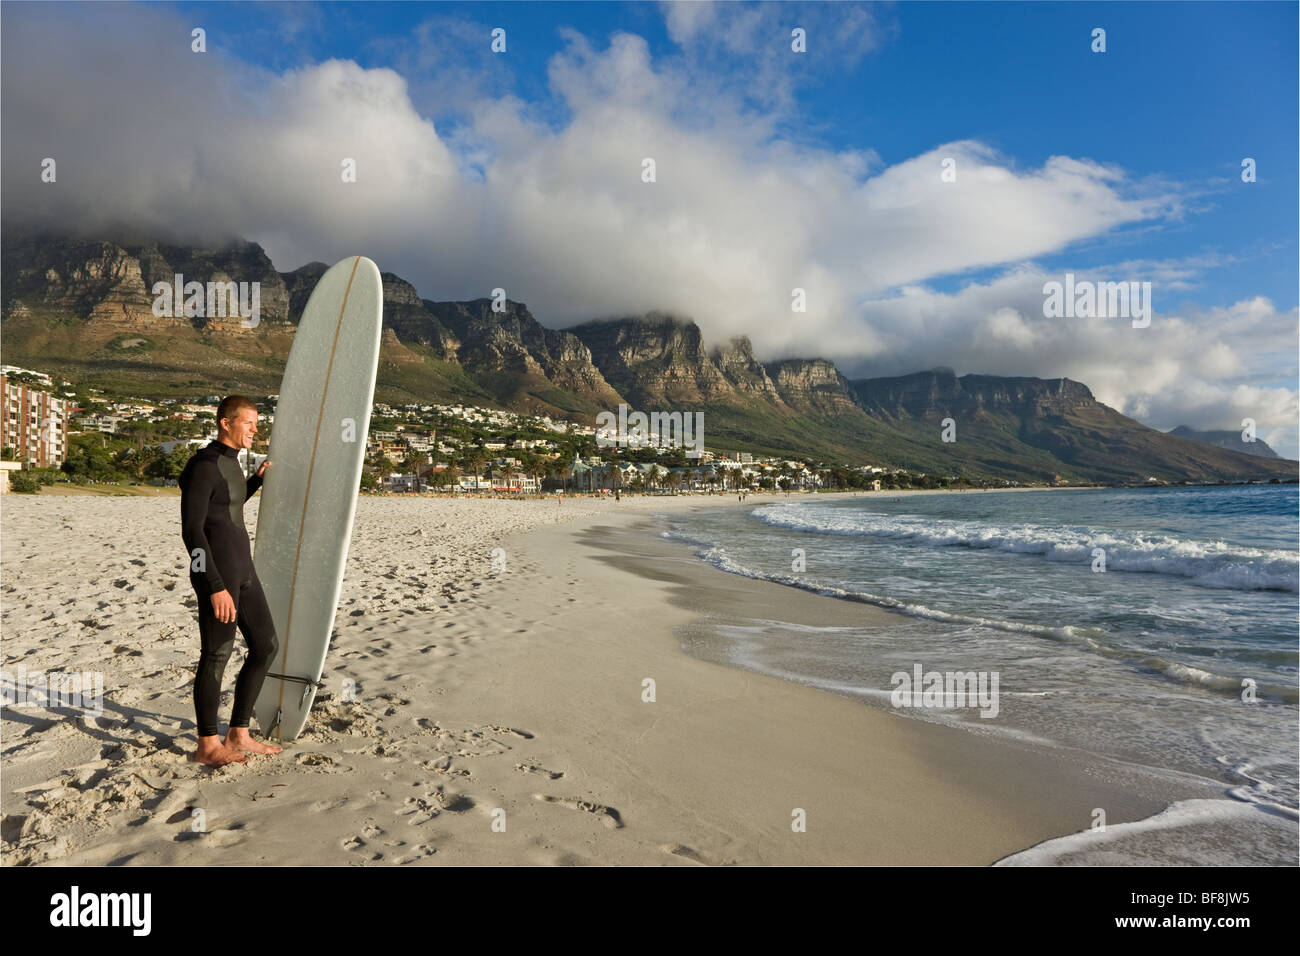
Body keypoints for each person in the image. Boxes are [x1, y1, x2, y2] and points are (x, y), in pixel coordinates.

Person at [178, 396, 281, 766]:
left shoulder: (232, 464)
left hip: (244, 572)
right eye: (249, 423)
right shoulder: (204, 466)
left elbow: (227, 507)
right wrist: (214, 586)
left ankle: (238, 733)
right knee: (217, 654)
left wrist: (255, 481)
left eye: (256, 423)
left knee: (266, 646)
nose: (256, 429)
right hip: (218, 575)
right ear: (226, 423)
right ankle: (207, 745)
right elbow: (193, 532)